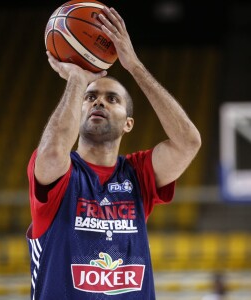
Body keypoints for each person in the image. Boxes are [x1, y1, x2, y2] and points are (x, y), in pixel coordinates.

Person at [26, 5, 201, 300]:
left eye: (112, 99)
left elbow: (188, 143)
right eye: (91, 98)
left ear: (128, 123)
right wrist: (77, 80)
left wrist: (133, 65)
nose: (99, 103)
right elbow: (55, 153)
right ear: (77, 113)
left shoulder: (138, 174)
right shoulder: (60, 171)